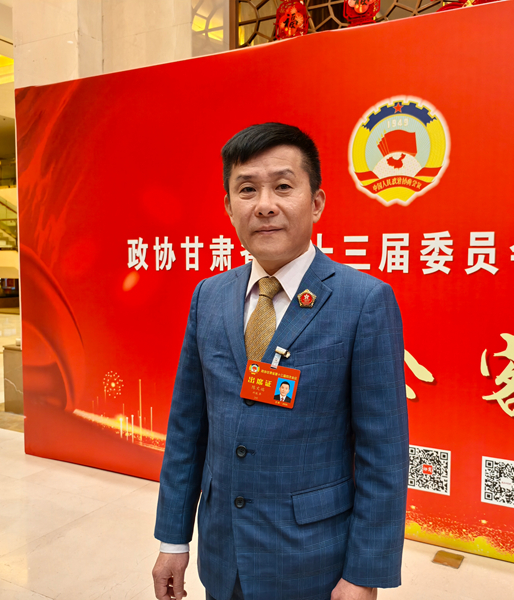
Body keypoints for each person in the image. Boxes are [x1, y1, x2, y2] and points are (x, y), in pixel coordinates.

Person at [152, 123, 409, 600]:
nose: (265, 205)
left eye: (284, 187)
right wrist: (173, 539)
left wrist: (363, 574)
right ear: (229, 206)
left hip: (314, 562)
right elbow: (188, 428)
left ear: (317, 203)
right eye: (247, 189)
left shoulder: (363, 301)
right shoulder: (209, 296)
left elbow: (383, 455)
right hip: (222, 554)